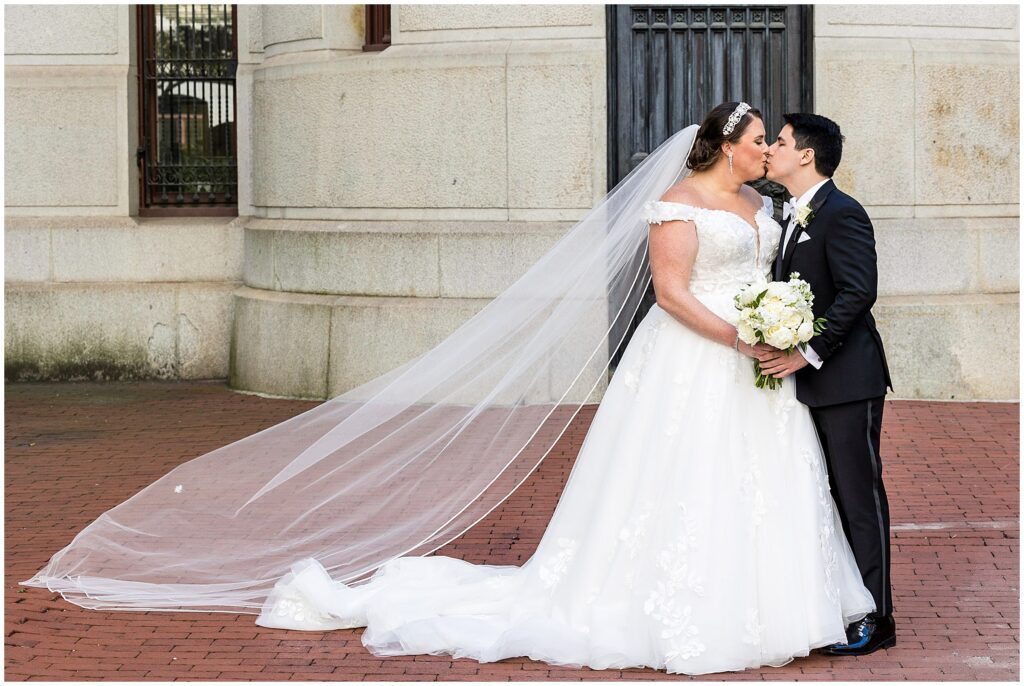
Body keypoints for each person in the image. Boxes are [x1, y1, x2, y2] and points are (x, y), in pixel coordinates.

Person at [252, 103, 877, 675]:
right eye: (759, 140)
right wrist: (743, 339)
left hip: (758, 365)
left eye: (774, 142)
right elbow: (671, 294)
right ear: (725, 147)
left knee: (764, 476)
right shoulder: (679, 203)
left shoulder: (765, 209)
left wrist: (778, 328)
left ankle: (771, 599)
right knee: (684, 473)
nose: (767, 151)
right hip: (696, 356)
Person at [762, 114, 895, 655]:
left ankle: (878, 619)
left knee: (858, 496)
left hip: (846, 379)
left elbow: (858, 292)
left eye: (781, 141)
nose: (771, 148)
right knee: (824, 496)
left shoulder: (843, 213)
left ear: (806, 156)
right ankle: (842, 605)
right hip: (810, 382)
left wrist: (807, 352)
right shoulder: (789, 213)